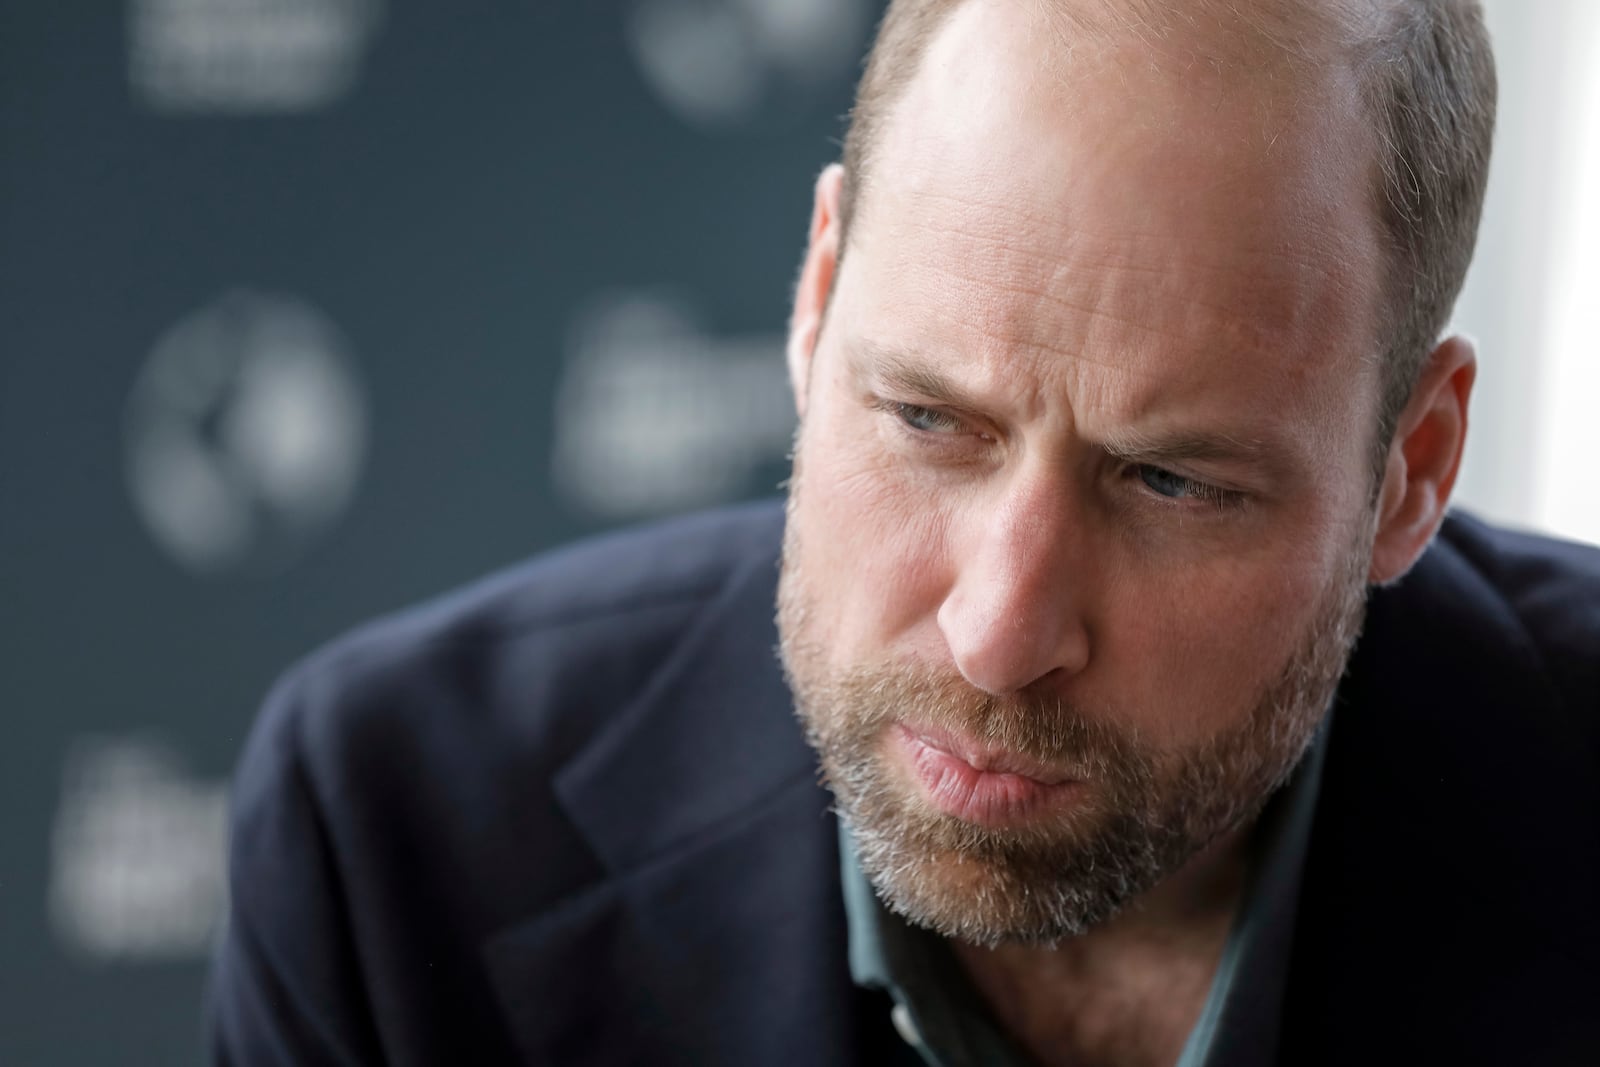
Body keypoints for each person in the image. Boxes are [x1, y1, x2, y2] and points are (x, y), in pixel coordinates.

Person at [208, 0, 1600, 1064]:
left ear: (1410, 471)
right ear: (817, 303)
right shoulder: (397, 843)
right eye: (931, 421)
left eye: (1173, 484)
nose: (1000, 633)